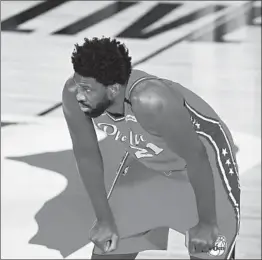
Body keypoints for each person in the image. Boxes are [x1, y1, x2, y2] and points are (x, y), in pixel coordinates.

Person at [62, 37, 240, 259]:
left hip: (203, 167)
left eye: (87, 89)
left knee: (207, 245)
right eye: (78, 84)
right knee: (109, 247)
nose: (78, 94)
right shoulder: (73, 94)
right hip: (148, 164)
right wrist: (104, 219)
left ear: (114, 89)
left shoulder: (150, 100)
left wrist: (207, 222)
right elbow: (86, 155)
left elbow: (197, 157)